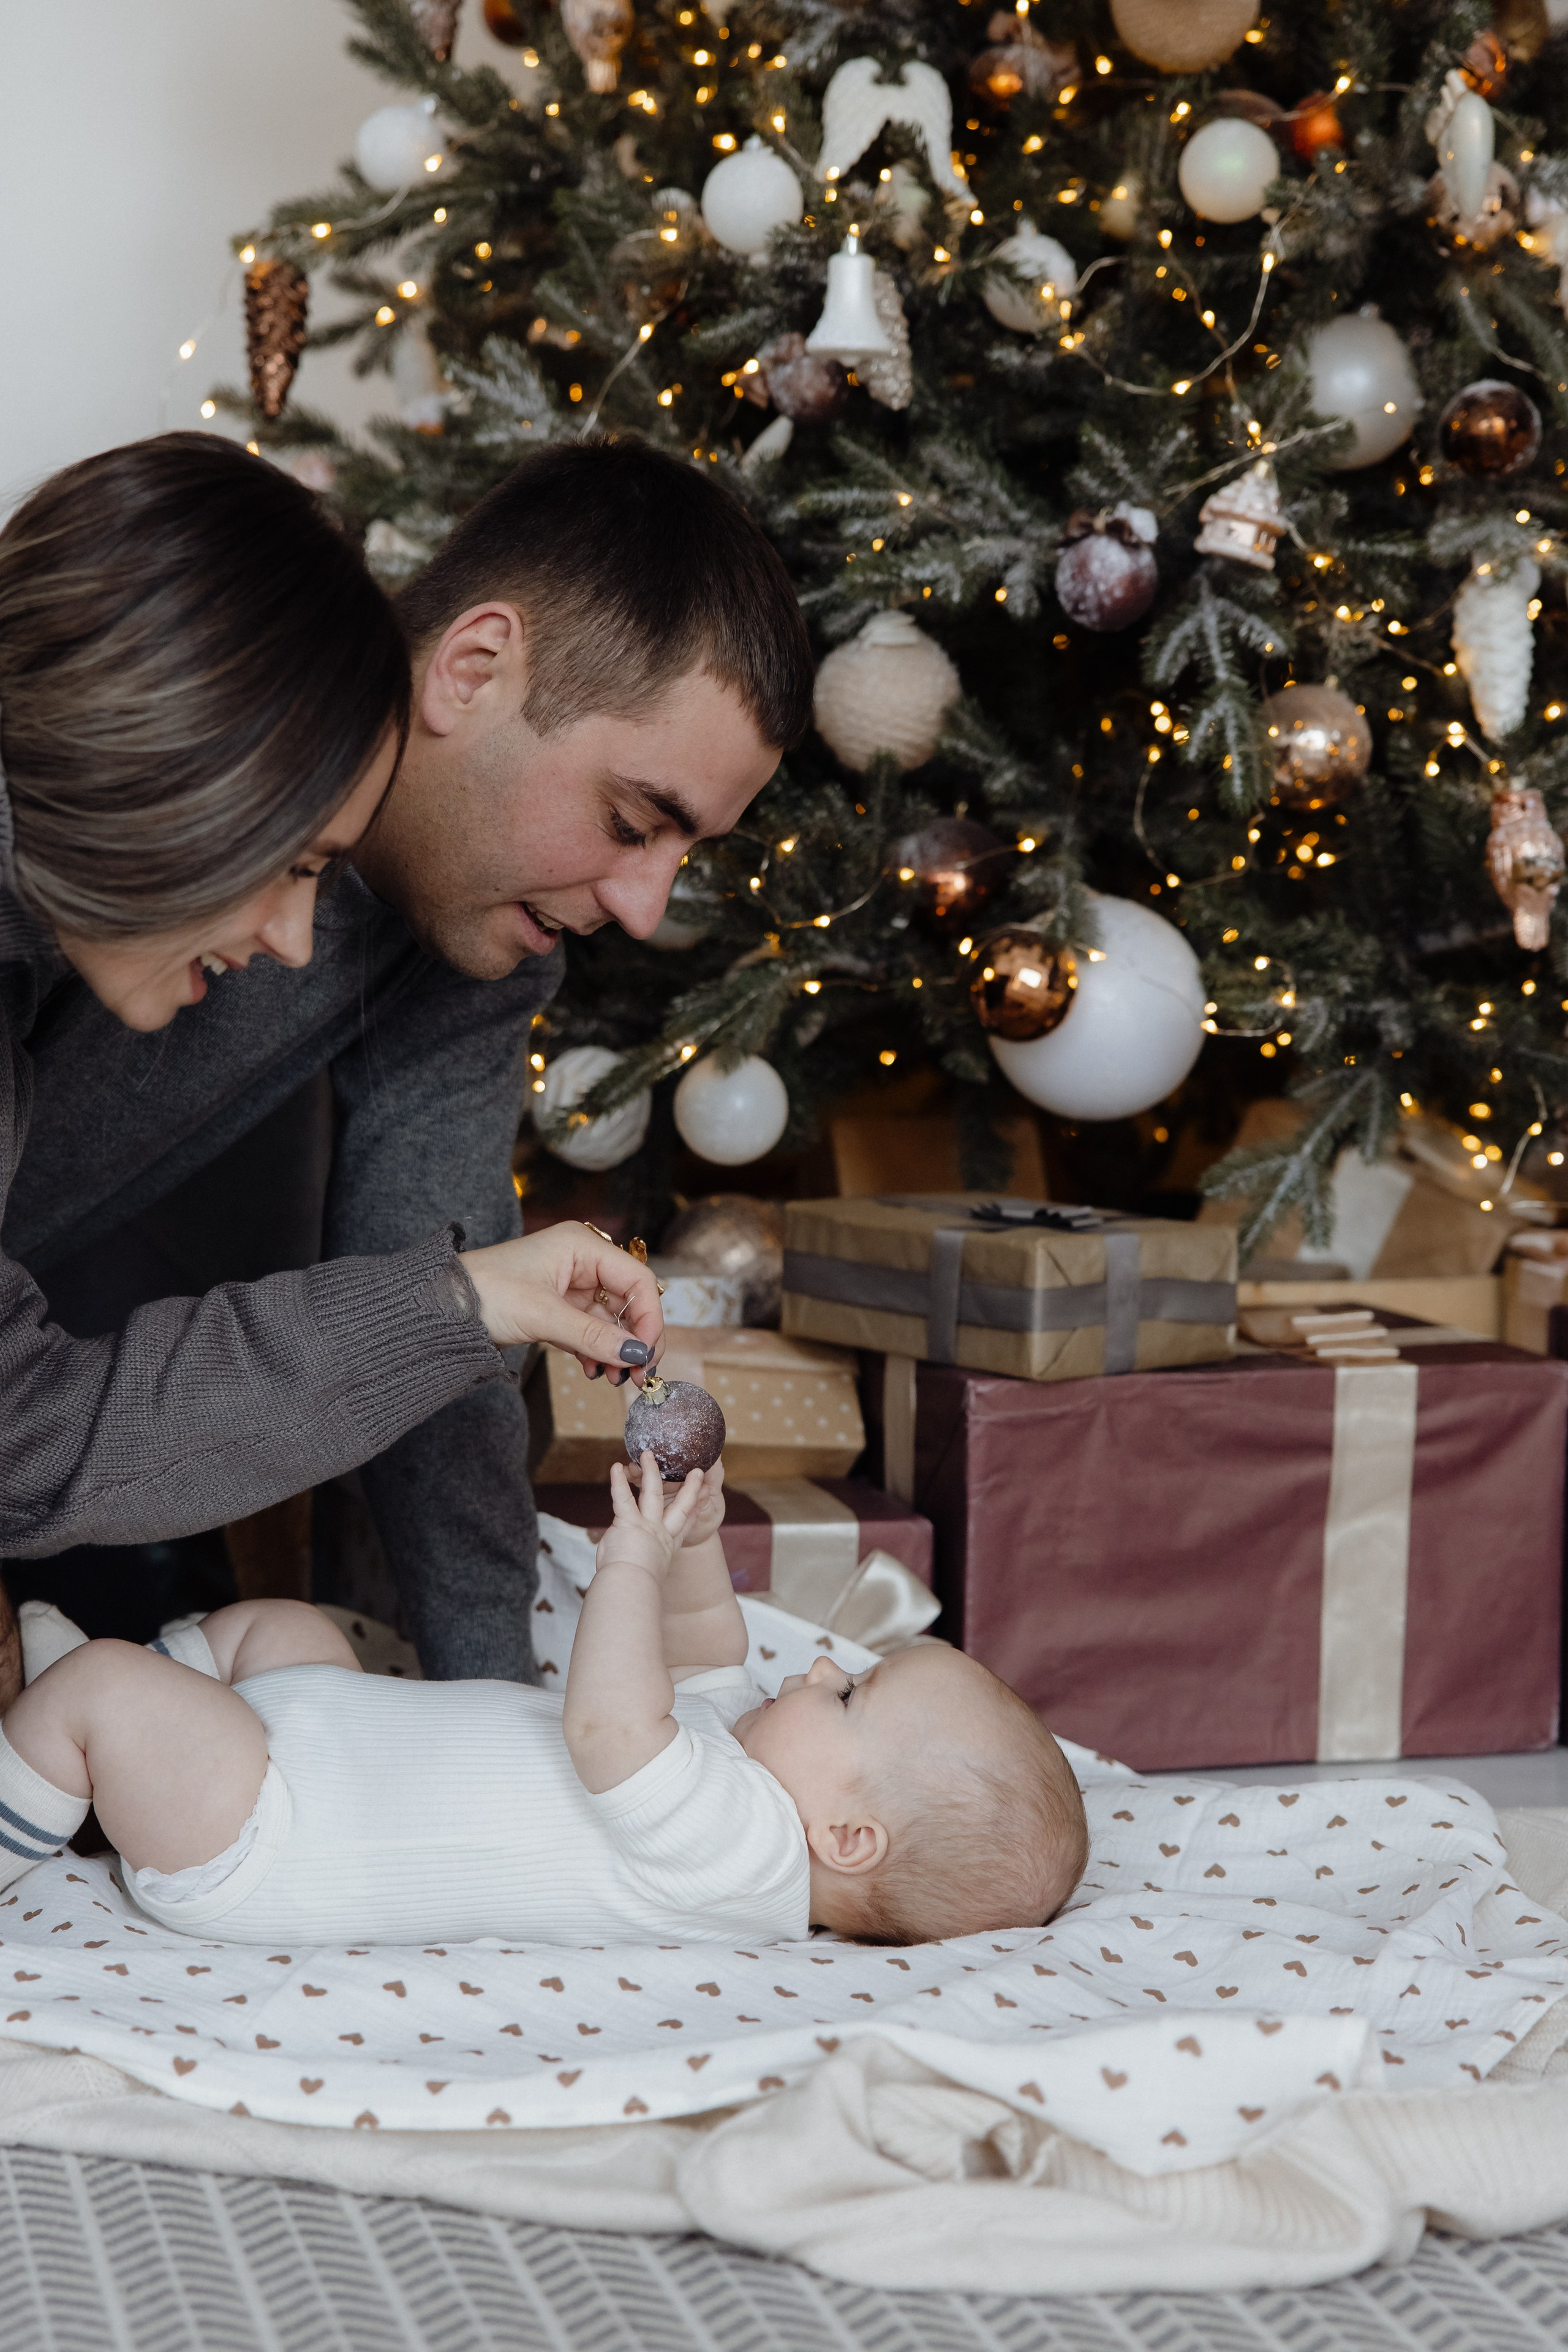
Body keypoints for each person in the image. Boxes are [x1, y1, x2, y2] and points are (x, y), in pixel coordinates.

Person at [2, 432, 814, 1686]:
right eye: (627, 820)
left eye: (684, 853)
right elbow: (32, 1438)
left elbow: (439, 1321)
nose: (650, 907)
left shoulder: (484, 948)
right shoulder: (154, 736)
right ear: (474, 668)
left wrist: (491, 1711)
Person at [0, 1463, 1088, 1947]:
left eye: (849, 1694)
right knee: (288, 1632)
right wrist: (697, 1552)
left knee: (109, 1685)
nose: (814, 1671)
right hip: (313, 1742)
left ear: (846, 1839)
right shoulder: (745, 1774)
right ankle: (87, 1763)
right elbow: (705, 1657)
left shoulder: (742, 1855)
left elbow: (611, 1725)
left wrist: (630, 1564)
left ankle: (69, 1734)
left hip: (269, 1836)